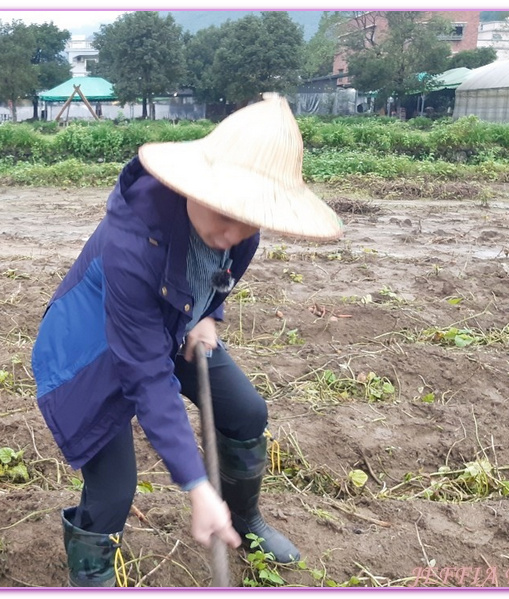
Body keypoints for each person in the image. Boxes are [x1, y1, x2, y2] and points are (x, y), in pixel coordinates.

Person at [31, 94, 343, 586]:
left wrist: (208, 314)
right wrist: (196, 485)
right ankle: (90, 580)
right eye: (226, 211)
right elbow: (146, 374)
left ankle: (245, 518)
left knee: (245, 413)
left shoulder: (241, 230)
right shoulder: (132, 238)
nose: (234, 231)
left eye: (251, 218)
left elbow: (219, 274)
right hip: (89, 350)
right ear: (195, 183)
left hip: (172, 323)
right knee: (113, 490)